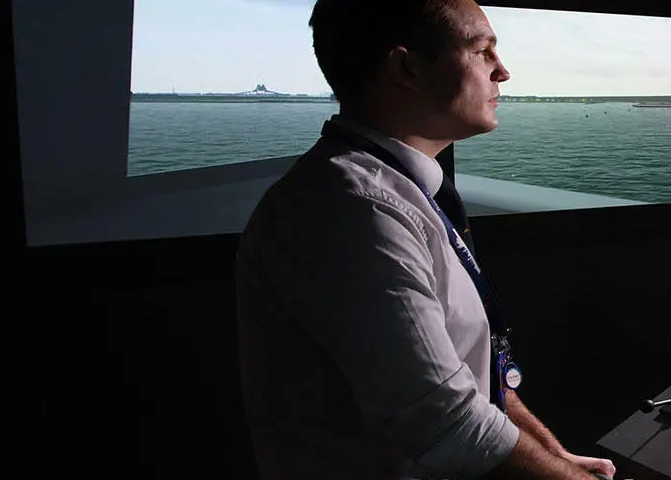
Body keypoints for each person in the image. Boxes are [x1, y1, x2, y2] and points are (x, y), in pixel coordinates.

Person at [235, 1, 613, 478]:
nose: (503, 72)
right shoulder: (356, 210)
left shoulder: (397, 194)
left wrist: (558, 461)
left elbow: (477, 386)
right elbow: (448, 421)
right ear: (408, 67)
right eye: (483, 51)